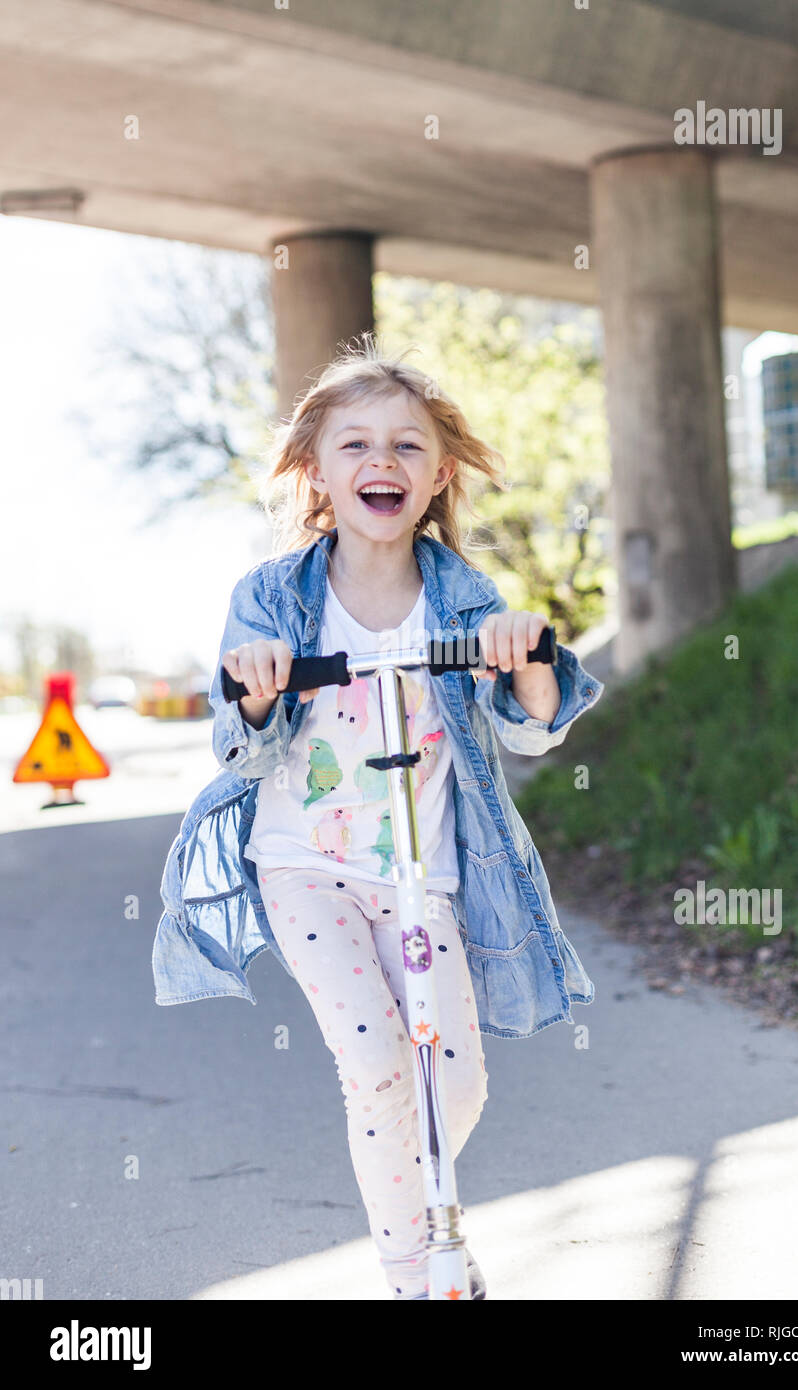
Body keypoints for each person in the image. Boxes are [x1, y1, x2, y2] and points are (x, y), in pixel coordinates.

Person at [152, 333, 605, 1300]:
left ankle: (423, 1211)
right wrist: (262, 690)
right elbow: (241, 740)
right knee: (379, 1072)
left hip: (424, 873)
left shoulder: (466, 597)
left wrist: (522, 653)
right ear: (317, 469)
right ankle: (418, 1269)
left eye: (406, 447)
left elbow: (530, 731)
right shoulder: (270, 597)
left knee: (458, 1082)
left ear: (439, 474)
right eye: (355, 445)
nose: (382, 463)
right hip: (304, 868)